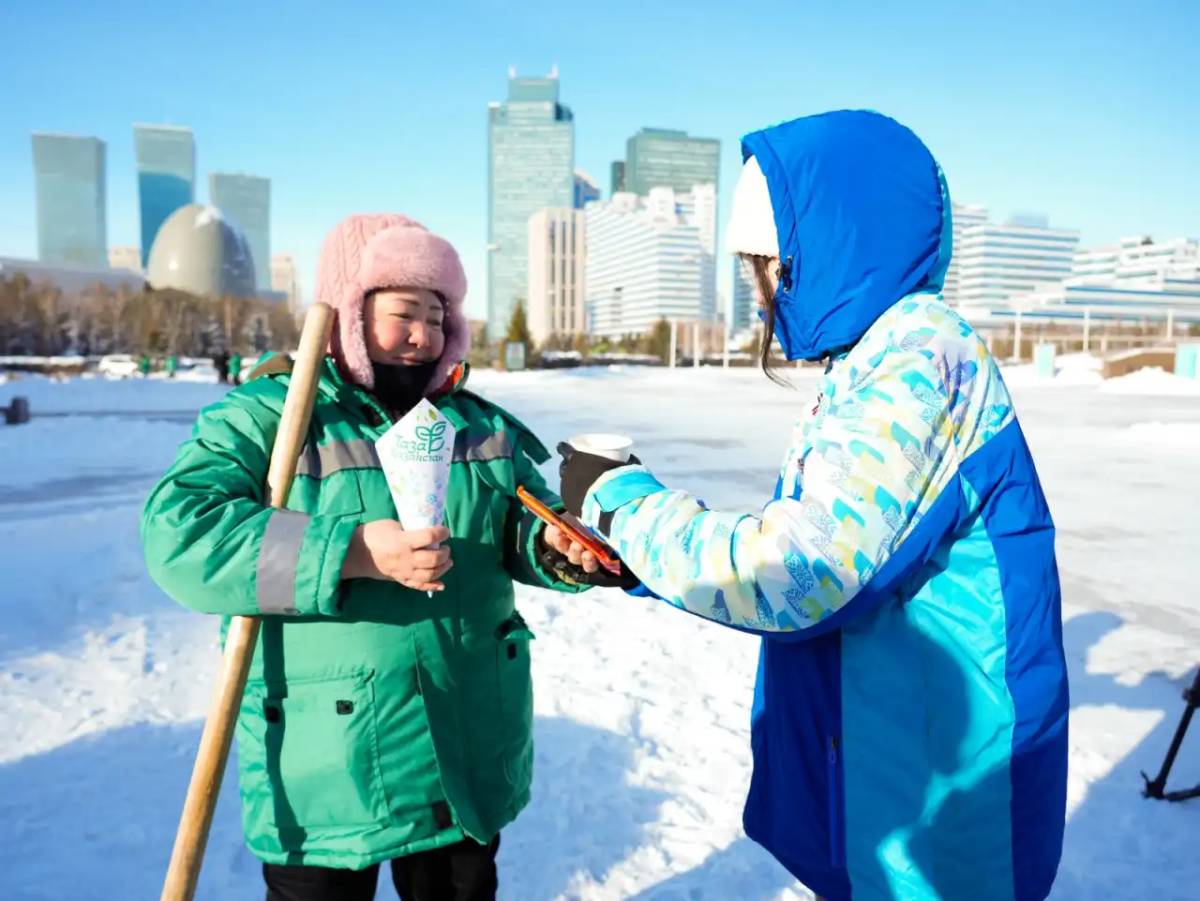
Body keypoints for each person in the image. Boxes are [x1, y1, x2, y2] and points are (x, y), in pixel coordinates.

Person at [550, 111, 1069, 901]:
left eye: (762, 265)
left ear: (814, 251)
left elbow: (801, 569)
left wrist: (621, 500)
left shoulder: (920, 356)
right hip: (889, 776)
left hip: (940, 812)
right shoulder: (877, 359)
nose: (759, 294)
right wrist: (639, 565)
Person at [142, 214, 618, 901]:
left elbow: (518, 521)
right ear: (347, 309)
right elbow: (179, 533)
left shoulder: (475, 425)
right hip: (328, 773)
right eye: (403, 313)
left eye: (437, 314)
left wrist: (553, 545)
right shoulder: (272, 418)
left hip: (463, 755)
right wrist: (350, 550)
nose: (422, 334)